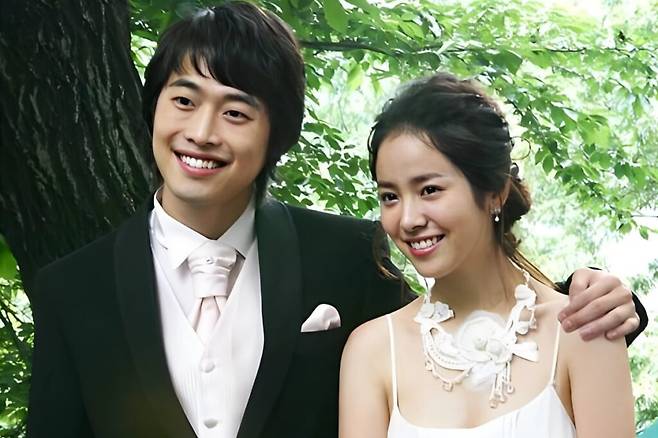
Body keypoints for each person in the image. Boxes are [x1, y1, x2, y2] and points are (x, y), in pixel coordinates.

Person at [27, 4, 644, 438]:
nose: (202, 132)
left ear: (277, 135)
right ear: (153, 108)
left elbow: (465, 325)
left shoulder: (346, 255)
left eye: (236, 112)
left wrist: (606, 305)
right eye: (183, 101)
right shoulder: (71, 290)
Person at [339, 73, 637, 438]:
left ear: (495, 191)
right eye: (390, 197)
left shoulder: (583, 330)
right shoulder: (371, 352)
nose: (408, 219)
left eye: (429, 190)